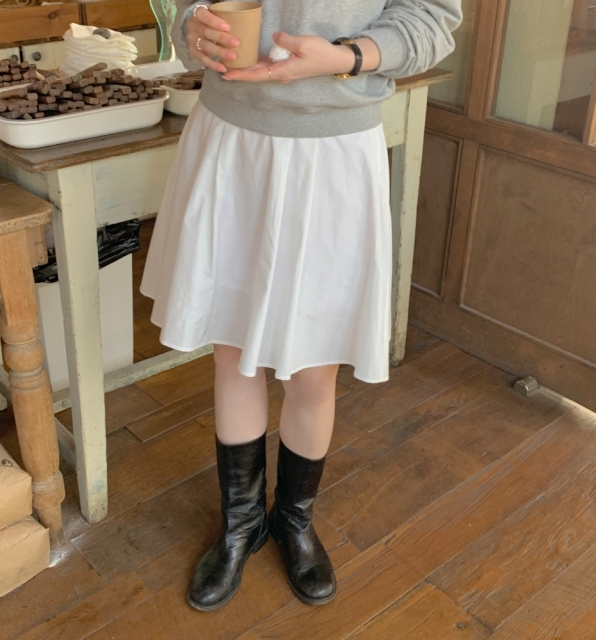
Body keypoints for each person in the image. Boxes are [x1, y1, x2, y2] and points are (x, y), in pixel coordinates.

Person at [141, 0, 462, 612]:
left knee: (315, 370)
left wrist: (347, 57)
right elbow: (187, 10)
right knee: (233, 353)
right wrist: (193, 28)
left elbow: (431, 17)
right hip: (230, 141)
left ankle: (293, 520)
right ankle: (242, 524)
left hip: (333, 152)